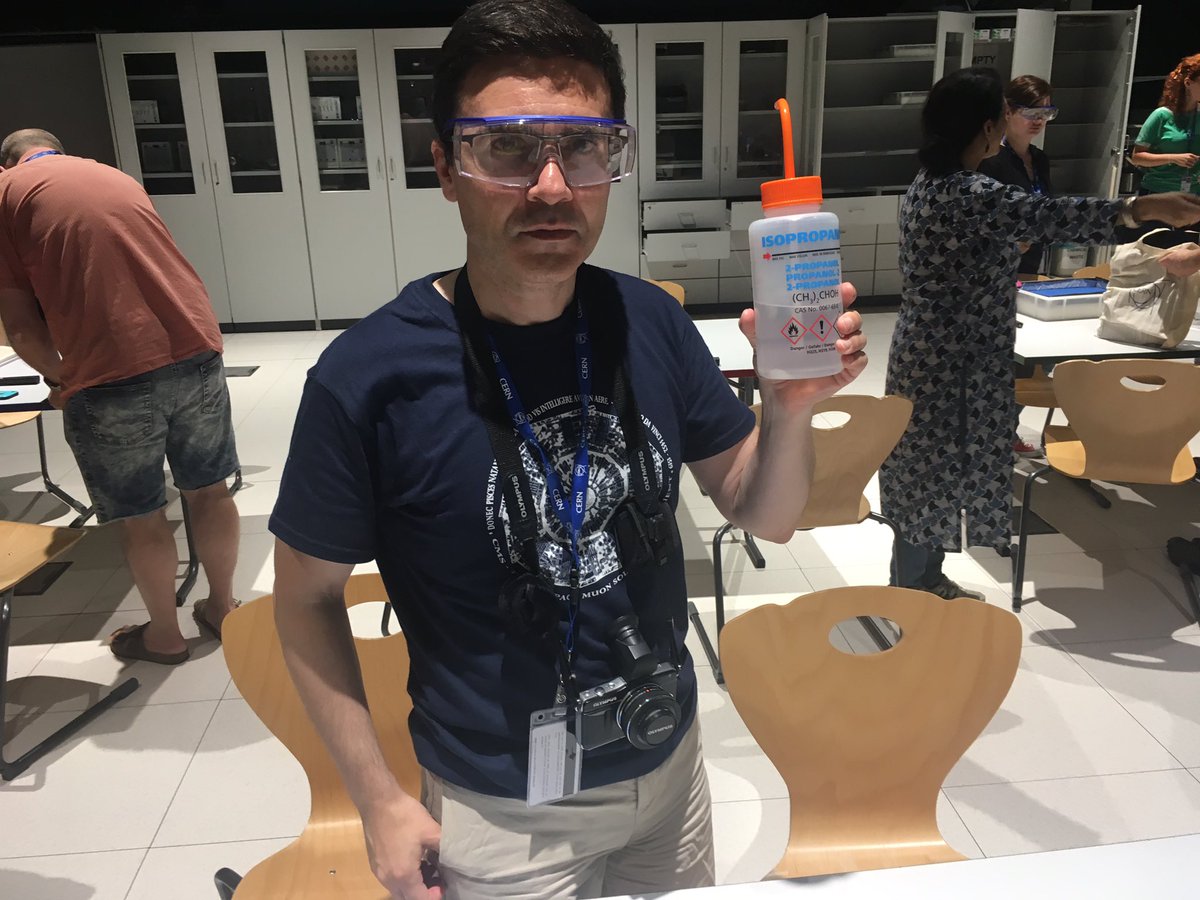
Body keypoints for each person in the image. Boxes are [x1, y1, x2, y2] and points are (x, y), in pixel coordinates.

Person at [267, 2, 867, 898]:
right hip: (505, 811)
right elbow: (304, 602)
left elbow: (767, 516)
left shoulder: (648, 320)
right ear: (445, 167)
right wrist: (377, 799)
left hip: (668, 772)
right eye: (507, 148)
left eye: (583, 148)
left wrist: (789, 410)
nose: (552, 186)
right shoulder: (368, 377)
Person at [879, 67, 1200, 602]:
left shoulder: (928, 184)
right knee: (934, 470)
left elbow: (1029, 220)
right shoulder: (969, 191)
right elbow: (1052, 215)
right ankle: (912, 587)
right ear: (987, 128)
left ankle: (919, 580)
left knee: (927, 467)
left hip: (930, 347)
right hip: (958, 354)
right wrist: (1139, 207)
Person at [0, 129, 241, 664]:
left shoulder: (8, 193)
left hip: (110, 370)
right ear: (57, 150)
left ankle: (164, 636)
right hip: (194, 347)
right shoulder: (111, 175)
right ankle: (222, 608)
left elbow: (19, 328)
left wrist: (61, 380)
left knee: (142, 514)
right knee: (210, 490)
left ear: (8, 162)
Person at [979, 74, 1058, 459]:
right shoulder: (991, 160)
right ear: (1007, 112)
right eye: (1031, 110)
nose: (1039, 119)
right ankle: (993, 432)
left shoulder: (1039, 159)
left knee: (1031, 354)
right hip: (997, 269)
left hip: (1030, 265)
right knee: (1003, 356)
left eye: (1046, 110)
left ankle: (1005, 429)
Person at [1132, 54, 1200, 197]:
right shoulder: (1161, 115)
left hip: (1193, 194)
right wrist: (1173, 158)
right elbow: (1137, 157)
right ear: (1188, 83)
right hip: (1157, 193)